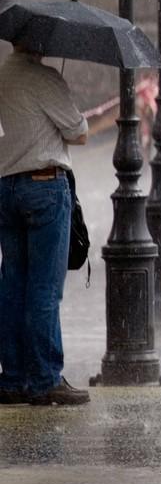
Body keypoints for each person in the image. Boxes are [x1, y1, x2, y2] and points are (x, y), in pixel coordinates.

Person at [0, 40, 90, 405]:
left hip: (5, 189)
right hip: (43, 187)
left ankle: (12, 378)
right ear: (40, 41)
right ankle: (44, 380)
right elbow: (79, 132)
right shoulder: (45, 78)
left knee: (12, 284)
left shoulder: (2, 76)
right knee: (44, 288)